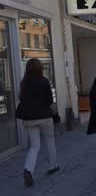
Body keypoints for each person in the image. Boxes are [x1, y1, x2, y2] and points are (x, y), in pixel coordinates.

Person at [16, 58, 59, 187]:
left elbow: (20, 98)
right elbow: (49, 100)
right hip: (45, 116)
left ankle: (28, 169)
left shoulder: (24, 83)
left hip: (29, 119)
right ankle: (53, 166)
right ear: (40, 68)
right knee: (49, 141)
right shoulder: (44, 81)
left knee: (34, 146)